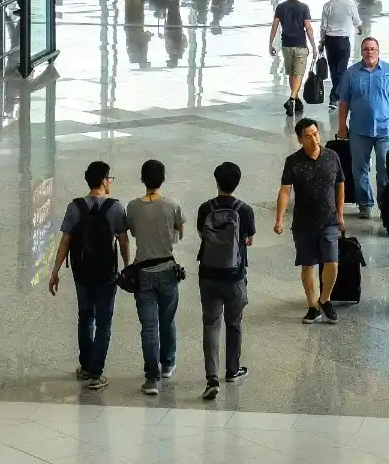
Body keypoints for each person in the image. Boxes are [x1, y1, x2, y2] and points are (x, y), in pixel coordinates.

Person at [48, 161, 131, 390]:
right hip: (106, 273)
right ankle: (96, 373)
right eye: (110, 178)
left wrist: (54, 272)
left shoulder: (75, 207)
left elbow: (65, 241)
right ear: (104, 180)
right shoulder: (115, 207)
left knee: (85, 317)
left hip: (81, 271)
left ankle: (85, 367)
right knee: (104, 322)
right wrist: (127, 266)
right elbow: (123, 240)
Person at [275, 118, 346, 324]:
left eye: (316, 134)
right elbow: (285, 191)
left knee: (332, 262)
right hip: (303, 223)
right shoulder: (293, 161)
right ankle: (312, 306)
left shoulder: (332, 157)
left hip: (329, 220)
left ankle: (325, 299)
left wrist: (340, 214)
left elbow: (340, 184)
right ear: (299, 140)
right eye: (308, 136)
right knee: (307, 266)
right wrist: (279, 219)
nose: (314, 139)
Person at [126, 159, 185, 396]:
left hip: (144, 273)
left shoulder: (132, 206)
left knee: (149, 327)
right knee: (167, 319)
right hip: (168, 270)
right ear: (163, 179)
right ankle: (168, 363)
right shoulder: (173, 204)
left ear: (142, 179)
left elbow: (132, 231)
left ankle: (152, 379)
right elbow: (180, 231)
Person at [197, 162, 255, 400]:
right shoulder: (245, 210)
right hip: (235, 276)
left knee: (211, 325)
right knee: (234, 323)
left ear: (216, 181)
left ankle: (211, 378)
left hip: (208, 275)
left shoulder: (205, 208)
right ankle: (232, 369)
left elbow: (203, 234)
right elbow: (249, 240)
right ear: (237, 182)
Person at [337, 37, 389, 219]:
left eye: (373, 49)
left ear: (378, 51)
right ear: (361, 51)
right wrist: (341, 126)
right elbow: (344, 102)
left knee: (385, 169)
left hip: (385, 130)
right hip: (359, 131)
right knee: (359, 169)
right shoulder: (351, 74)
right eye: (366, 49)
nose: (369, 52)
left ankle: (385, 205)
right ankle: (364, 204)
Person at [270, 0, 318, 115]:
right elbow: (308, 28)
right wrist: (314, 46)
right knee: (298, 74)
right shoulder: (304, 7)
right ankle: (292, 99)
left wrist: (270, 44)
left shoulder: (280, 7)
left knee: (292, 74)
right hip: (300, 45)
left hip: (286, 45)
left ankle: (296, 100)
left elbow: (274, 26)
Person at [320, 0, 362, 112]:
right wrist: (360, 30)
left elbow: (323, 27)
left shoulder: (328, 5)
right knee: (341, 70)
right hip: (343, 41)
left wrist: (321, 42)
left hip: (329, 41)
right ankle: (335, 97)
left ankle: (336, 97)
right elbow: (357, 22)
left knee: (334, 70)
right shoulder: (351, 5)